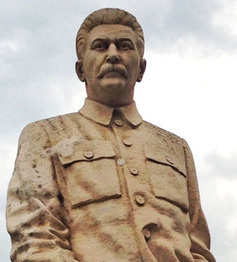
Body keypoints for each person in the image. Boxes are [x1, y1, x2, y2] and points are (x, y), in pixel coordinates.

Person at [6, 8, 215, 262]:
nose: (113, 54)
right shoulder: (44, 136)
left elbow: (199, 248)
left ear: (141, 69)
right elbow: (36, 240)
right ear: (80, 69)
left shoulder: (176, 148)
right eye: (101, 46)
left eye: (124, 46)